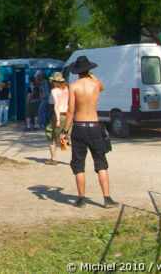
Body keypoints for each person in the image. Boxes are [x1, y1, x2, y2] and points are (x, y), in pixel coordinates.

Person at [61, 56, 115, 208]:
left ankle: (82, 198)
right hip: (95, 125)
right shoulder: (96, 84)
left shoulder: (74, 86)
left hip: (79, 126)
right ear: (89, 69)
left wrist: (65, 131)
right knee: (101, 163)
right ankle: (107, 198)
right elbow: (102, 87)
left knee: (78, 163)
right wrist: (91, 75)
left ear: (77, 71)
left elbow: (70, 110)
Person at [46, 72, 70, 165]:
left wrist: (58, 120)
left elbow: (57, 105)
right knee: (68, 135)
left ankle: (53, 158)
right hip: (68, 114)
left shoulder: (54, 91)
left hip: (59, 114)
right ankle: (76, 159)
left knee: (50, 135)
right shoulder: (67, 89)